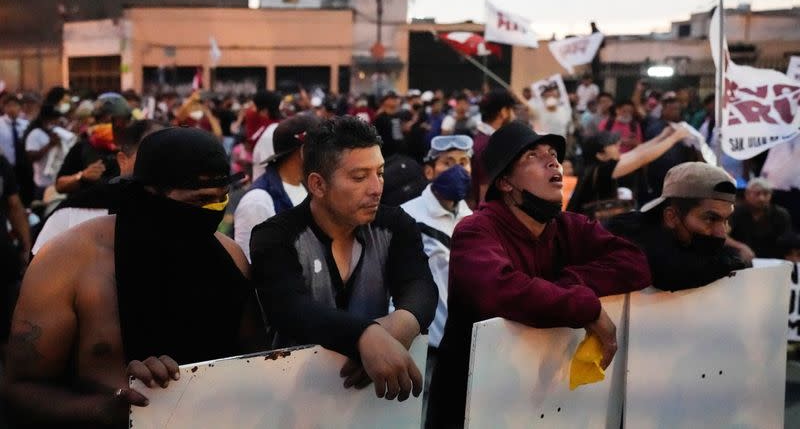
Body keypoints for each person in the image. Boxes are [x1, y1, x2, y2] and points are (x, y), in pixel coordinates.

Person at [3, 127, 260, 427]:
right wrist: (108, 408)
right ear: (149, 195)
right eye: (200, 200)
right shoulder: (68, 262)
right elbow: (17, 389)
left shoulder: (229, 258)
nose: (214, 211)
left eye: (221, 199)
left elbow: (254, 366)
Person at [428, 121, 651, 428]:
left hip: (542, 400)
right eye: (533, 155)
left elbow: (634, 263)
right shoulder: (476, 230)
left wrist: (574, 283)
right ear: (506, 182)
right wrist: (585, 306)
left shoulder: (567, 225)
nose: (552, 161)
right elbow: (499, 290)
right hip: (474, 403)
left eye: (553, 153)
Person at [250, 116, 437, 402]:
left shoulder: (394, 224)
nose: (376, 188)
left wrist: (402, 325)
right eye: (359, 177)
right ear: (318, 184)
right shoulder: (275, 236)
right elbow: (289, 309)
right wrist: (365, 337)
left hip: (370, 400)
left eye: (380, 172)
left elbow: (419, 284)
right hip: (290, 399)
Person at [606, 162, 753, 292]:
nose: (721, 233)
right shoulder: (626, 234)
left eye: (725, 220)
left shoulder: (692, 237)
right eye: (710, 219)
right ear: (672, 217)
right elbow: (670, 271)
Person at [400, 136, 473, 395]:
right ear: (429, 171)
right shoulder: (408, 216)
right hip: (425, 344)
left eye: (464, 162)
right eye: (448, 162)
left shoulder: (473, 220)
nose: (457, 168)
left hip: (466, 345)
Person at [31, 120, 165, 255]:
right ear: (123, 161)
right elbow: (60, 185)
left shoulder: (180, 209)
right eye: (153, 154)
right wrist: (81, 176)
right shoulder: (72, 215)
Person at [234, 114, 318, 262]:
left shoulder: (310, 188)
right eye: (321, 148)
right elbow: (252, 266)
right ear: (303, 151)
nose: (328, 156)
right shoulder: (258, 201)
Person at [567, 125, 692, 216]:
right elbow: (643, 158)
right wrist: (674, 138)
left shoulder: (597, 166)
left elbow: (638, 151)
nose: (618, 143)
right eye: (611, 143)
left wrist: (663, 136)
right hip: (587, 225)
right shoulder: (604, 169)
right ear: (601, 155)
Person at [56, 94, 132, 197]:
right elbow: (60, 185)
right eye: (103, 121)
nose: (109, 126)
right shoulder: (82, 147)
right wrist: (81, 176)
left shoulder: (135, 149)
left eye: (113, 121)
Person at [0, 152, 32, 345]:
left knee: (6, 329)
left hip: (3, 256)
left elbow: (14, 206)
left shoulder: (1, 163)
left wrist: (26, 247)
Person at [471, 89, 516, 205]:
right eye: (511, 110)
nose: (514, 115)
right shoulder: (488, 145)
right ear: (504, 112)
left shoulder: (483, 139)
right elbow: (485, 193)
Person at [728, 178, 792, 259]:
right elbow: (723, 236)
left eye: (766, 194)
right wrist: (740, 247)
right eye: (757, 194)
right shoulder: (735, 212)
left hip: (773, 259)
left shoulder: (781, 214)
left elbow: (787, 240)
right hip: (741, 258)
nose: (761, 198)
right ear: (747, 194)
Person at [24, 104, 76, 200]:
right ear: (45, 120)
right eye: (53, 119)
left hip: (59, 182)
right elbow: (31, 157)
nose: (56, 122)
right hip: (43, 184)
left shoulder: (58, 132)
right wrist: (50, 145)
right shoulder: (35, 134)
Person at [373, 92, 408, 158]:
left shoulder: (402, 115)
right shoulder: (380, 117)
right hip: (386, 152)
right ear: (385, 102)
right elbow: (376, 135)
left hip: (401, 150)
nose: (395, 100)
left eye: (396, 98)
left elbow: (404, 130)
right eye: (392, 98)